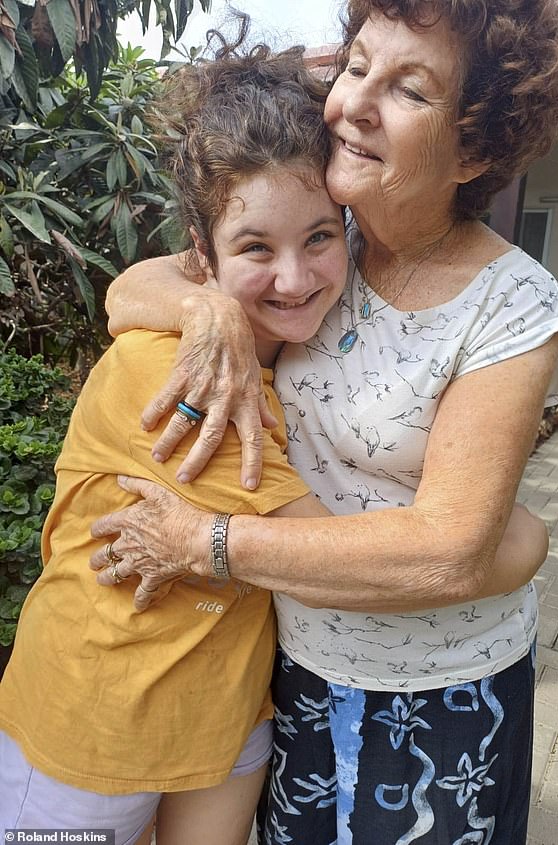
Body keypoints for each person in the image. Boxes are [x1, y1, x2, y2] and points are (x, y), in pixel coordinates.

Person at [90, 1, 558, 842]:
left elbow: (449, 551)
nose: (354, 102)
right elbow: (129, 289)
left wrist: (206, 542)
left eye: (409, 90)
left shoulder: (509, 308)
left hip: (439, 696)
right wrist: (206, 308)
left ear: (473, 147)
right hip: (301, 669)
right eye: (357, 66)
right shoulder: (326, 236)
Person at [0, 42, 352, 845]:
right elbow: (327, 557)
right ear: (204, 248)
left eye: (320, 238)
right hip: (94, 721)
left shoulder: (270, 342)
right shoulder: (182, 373)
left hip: (222, 718)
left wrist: (213, 303)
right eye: (256, 248)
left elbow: (135, 287)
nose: (295, 280)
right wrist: (499, 539)